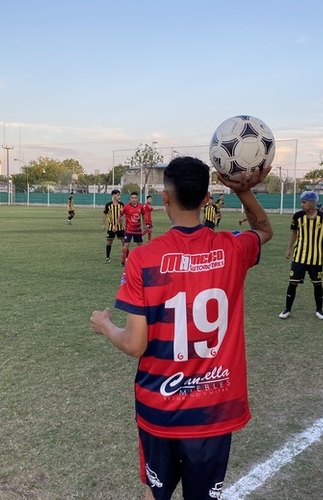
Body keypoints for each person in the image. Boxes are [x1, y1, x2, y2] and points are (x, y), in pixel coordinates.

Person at [90, 156, 274, 500]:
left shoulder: (143, 259)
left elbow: (134, 344)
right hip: (214, 407)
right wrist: (245, 191)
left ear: (164, 198)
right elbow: (264, 230)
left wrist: (105, 325)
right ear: (207, 198)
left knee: (155, 493)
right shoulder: (232, 248)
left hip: (160, 406)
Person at [279, 191, 323, 320]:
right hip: (299, 256)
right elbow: (294, 233)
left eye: (304, 202)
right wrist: (289, 249)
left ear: (312, 203)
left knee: (317, 284)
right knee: (293, 283)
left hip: (316, 259)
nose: (302, 204)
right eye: (302, 202)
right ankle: (287, 309)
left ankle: (319, 310)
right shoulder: (297, 216)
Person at [120, 192, 145, 266]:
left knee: (140, 246)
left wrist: (144, 225)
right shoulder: (126, 207)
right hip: (129, 230)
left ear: (137, 198)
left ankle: (140, 261)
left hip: (138, 230)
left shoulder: (140, 206)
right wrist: (118, 224)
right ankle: (123, 261)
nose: (134, 199)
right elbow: (121, 215)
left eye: (135, 198)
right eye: (132, 198)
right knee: (125, 246)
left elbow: (143, 215)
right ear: (130, 198)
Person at [103, 189, 125, 263]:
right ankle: (107, 257)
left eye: (119, 195)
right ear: (113, 196)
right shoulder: (108, 205)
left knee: (124, 242)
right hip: (111, 227)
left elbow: (124, 214)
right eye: (118, 195)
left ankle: (127, 257)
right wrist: (103, 224)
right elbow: (105, 214)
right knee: (109, 242)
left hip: (120, 227)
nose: (119, 196)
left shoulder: (121, 204)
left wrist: (122, 218)